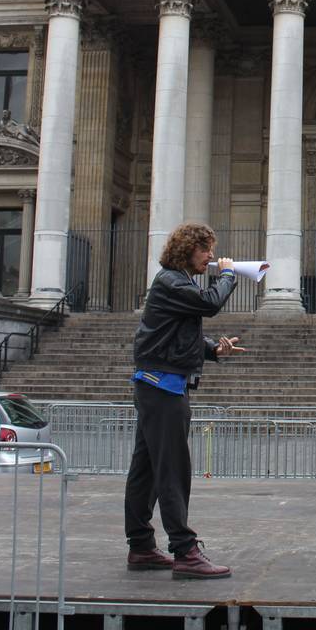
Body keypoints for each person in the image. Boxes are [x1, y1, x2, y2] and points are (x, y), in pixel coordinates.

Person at [124, 222, 246, 579]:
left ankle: (142, 546)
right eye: (206, 249)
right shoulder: (171, 281)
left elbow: (172, 334)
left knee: (145, 471)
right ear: (187, 250)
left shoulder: (176, 284)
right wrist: (227, 276)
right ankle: (185, 551)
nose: (211, 256)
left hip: (156, 383)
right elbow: (210, 304)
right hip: (163, 388)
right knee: (173, 471)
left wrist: (213, 350)